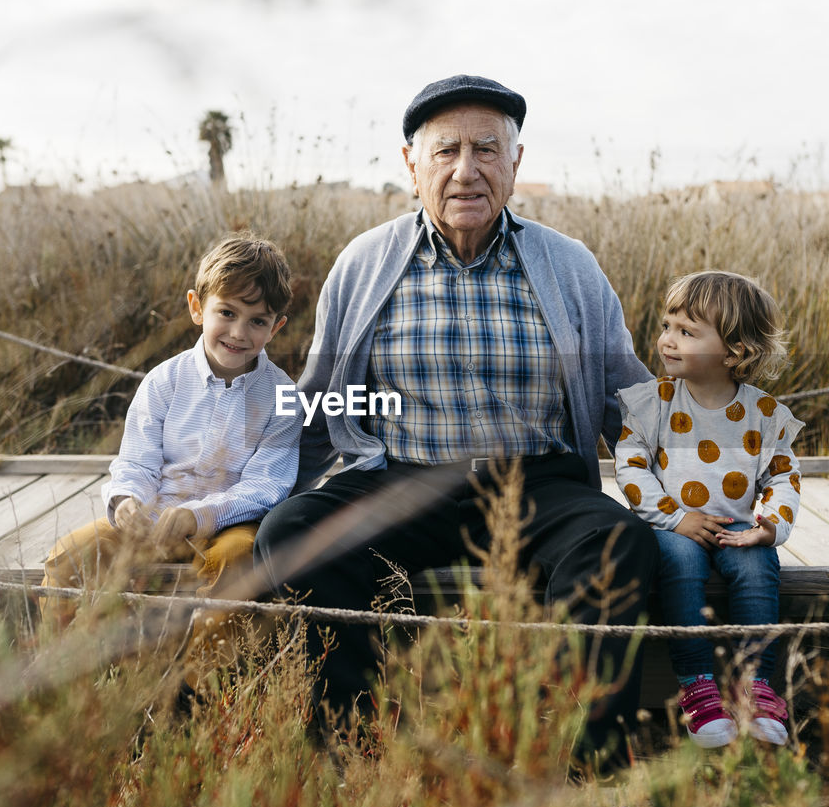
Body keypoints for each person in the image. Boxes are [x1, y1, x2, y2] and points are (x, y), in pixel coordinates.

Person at [253, 74, 657, 770]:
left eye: (486, 149)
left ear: (516, 163)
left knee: (617, 542)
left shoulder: (569, 266)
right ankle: (357, 752)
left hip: (538, 487)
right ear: (412, 165)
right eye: (446, 151)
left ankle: (583, 767)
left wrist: (707, 482)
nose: (466, 170)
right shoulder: (365, 263)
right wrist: (255, 495)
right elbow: (322, 402)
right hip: (407, 483)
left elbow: (632, 397)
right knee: (292, 532)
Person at [41, 234, 300, 669]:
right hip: (153, 518)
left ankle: (206, 683)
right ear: (197, 308)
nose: (239, 332)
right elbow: (137, 460)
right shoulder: (164, 381)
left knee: (238, 561)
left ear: (276, 327)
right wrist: (127, 500)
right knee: (68, 556)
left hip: (227, 525)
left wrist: (201, 515)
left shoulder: (282, 397)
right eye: (227, 313)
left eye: (257, 321)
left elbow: (267, 485)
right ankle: (62, 673)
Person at [613, 270, 804, 747]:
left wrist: (768, 528)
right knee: (679, 562)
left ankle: (757, 687)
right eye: (666, 326)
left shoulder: (763, 414)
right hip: (671, 525)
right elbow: (630, 467)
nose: (666, 341)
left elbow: (783, 476)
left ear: (734, 351)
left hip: (736, 525)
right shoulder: (653, 402)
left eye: (686, 332)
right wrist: (676, 517)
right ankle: (696, 685)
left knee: (758, 567)